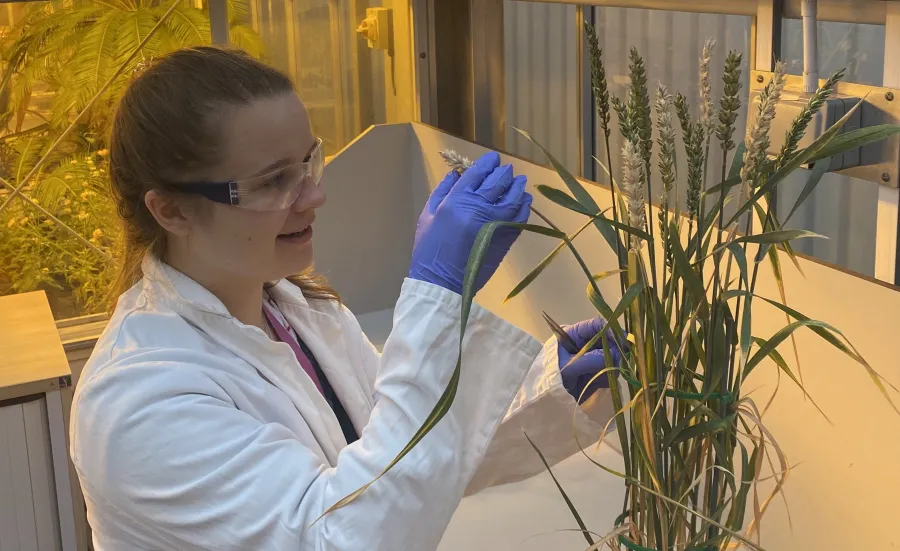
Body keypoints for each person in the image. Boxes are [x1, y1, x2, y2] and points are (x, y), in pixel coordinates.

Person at [70, 47, 623, 551]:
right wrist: (437, 294)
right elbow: (346, 538)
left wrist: (552, 385)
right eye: (272, 181)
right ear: (172, 210)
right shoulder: (139, 400)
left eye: (308, 162)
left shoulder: (299, 312)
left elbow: (397, 467)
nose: (315, 195)